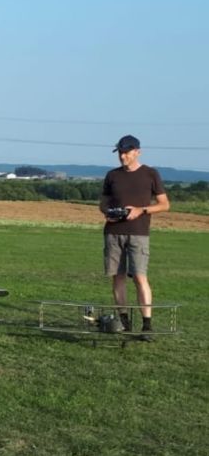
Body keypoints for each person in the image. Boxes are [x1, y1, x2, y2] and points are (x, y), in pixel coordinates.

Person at [100, 134, 169, 338]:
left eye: (126, 152)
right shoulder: (112, 175)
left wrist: (141, 210)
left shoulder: (150, 174)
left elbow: (164, 204)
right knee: (118, 277)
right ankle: (124, 321)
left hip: (138, 233)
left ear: (137, 152)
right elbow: (103, 202)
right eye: (120, 153)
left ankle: (147, 325)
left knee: (139, 276)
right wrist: (108, 212)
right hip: (113, 233)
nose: (122, 156)